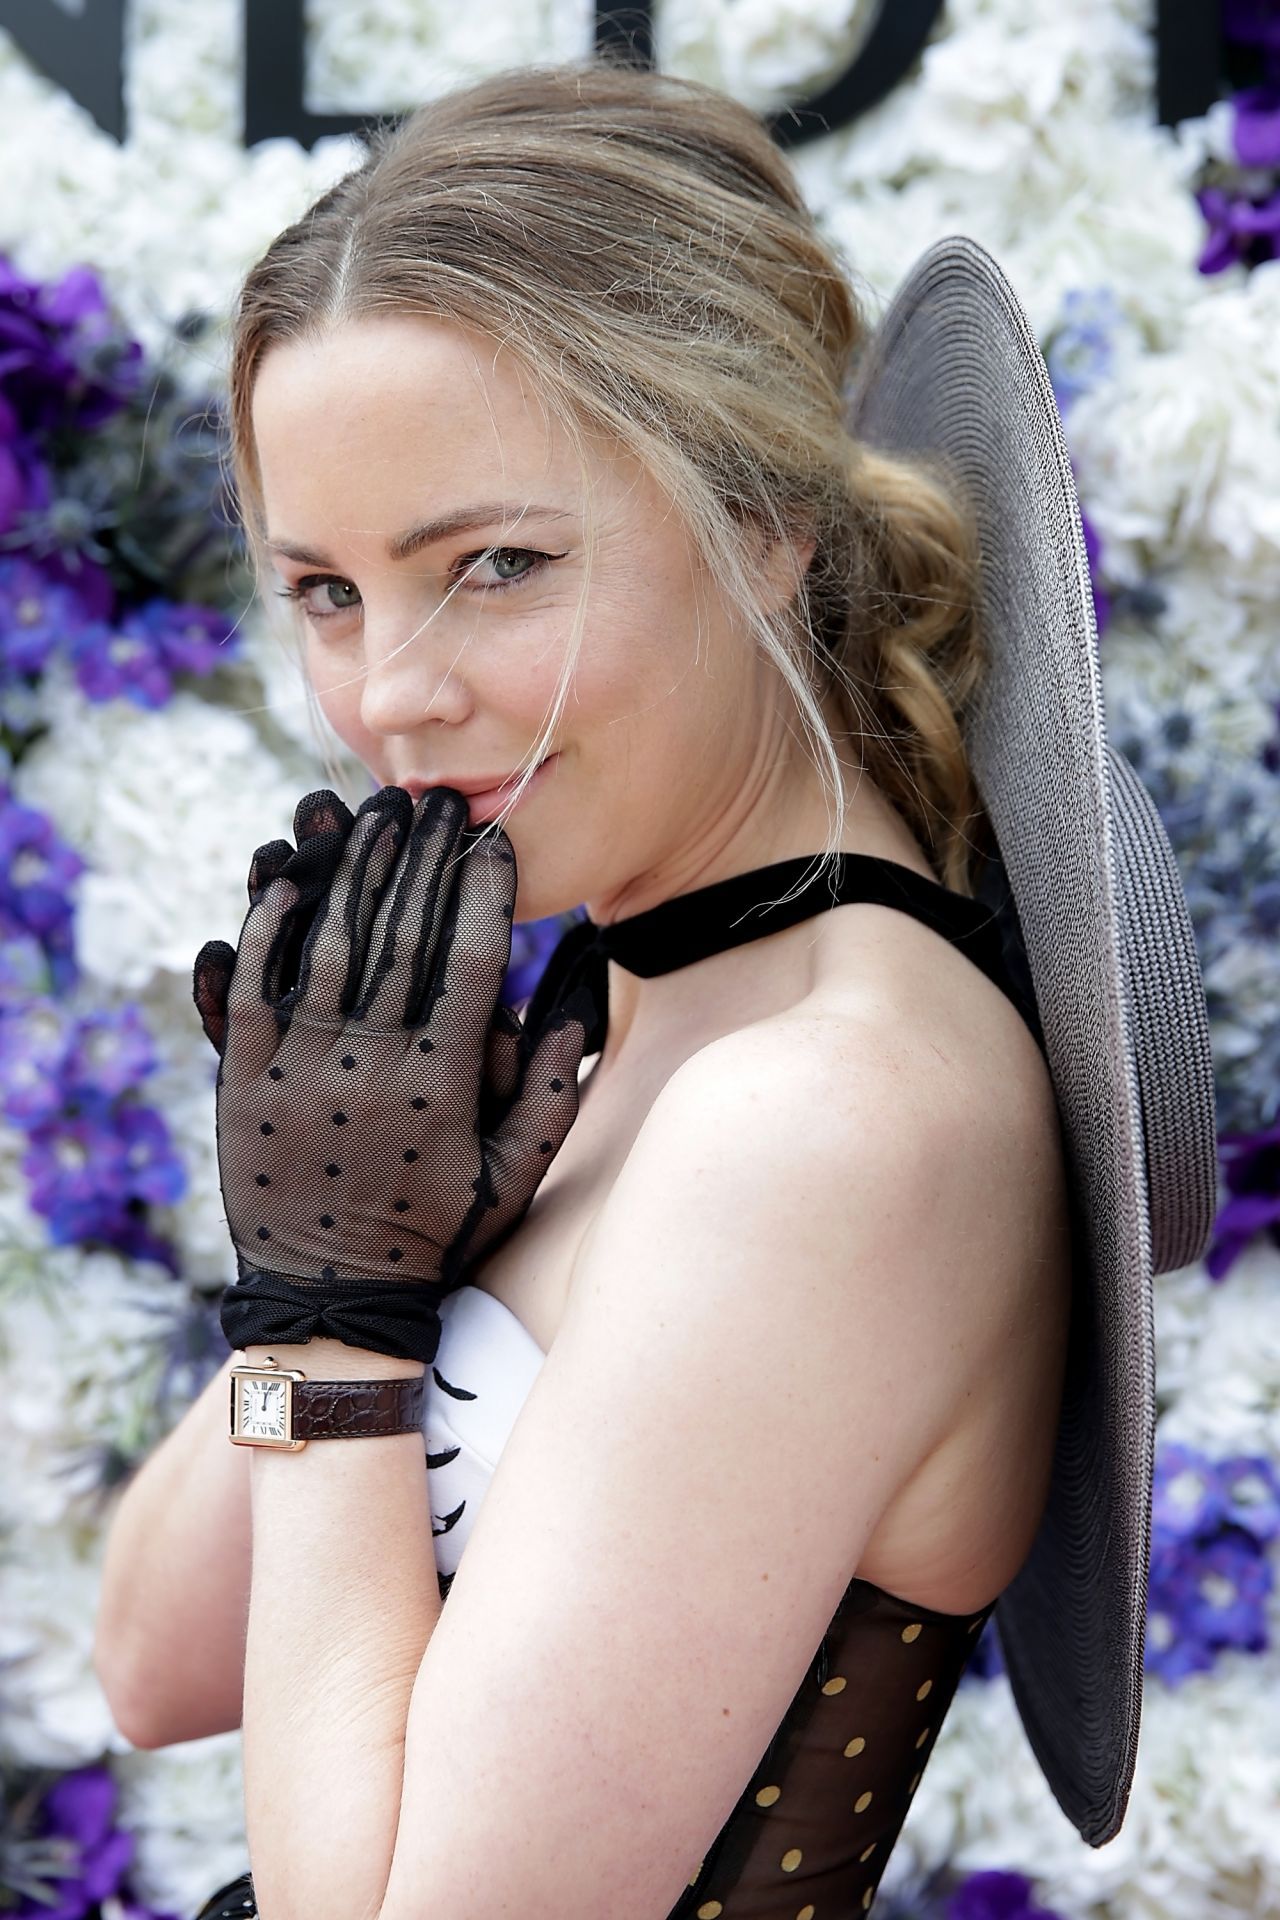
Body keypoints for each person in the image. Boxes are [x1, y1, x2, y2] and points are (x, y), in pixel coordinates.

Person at [96, 53, 1074, 1920]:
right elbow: (153, 1661)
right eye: (326, 592)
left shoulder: (830, 1111)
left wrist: (339, 1335)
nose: (395, 695)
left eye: (496, 564)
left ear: (765, 519)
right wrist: (330, 1273)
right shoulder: (613, 1021)